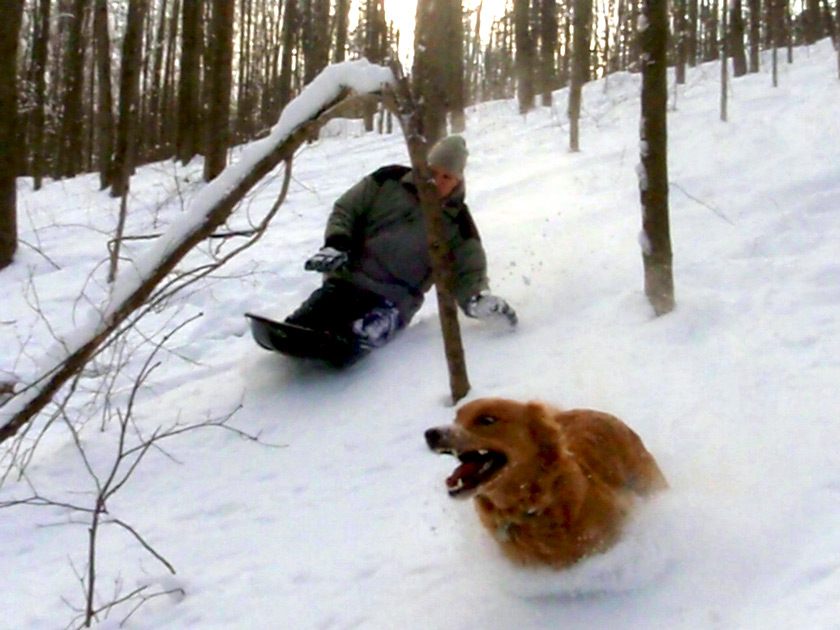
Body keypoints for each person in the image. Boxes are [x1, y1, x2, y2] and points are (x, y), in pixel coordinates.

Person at [284, 134, 517, 363]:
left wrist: (476, 299)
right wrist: (337, 243)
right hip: (346, 281)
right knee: (305, 324)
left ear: (458, 182)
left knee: (357, 335)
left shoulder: (458, 224)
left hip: (392, 302)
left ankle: (352, 344)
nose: (437, 181)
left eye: (447, 177)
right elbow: (347, 210)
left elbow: (468, 270)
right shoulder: (387, 180)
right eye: (433, 172)